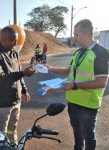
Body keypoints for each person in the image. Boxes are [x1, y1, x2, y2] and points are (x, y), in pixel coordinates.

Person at [43, 19, 109, 150]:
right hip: (73, 101)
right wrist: (50, 67)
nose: (74, 37)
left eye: (76, 34)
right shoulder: (78, 52)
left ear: (86, 34)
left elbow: (101, 82)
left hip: (88, 104)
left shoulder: (100, 52)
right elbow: (68, 71)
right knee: (77, 132)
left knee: (88, 135)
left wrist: (75, 86)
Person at [0, 26, 35, 146]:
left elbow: (19, 72)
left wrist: (24, 90)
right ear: (4, 40)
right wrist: (22, 73)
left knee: (13, 128)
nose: (16, 43)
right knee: (1, 133)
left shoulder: (14, 53)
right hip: (1, 104)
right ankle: (2, 147)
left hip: (16, 100)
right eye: (13, 40)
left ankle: (13, 145)